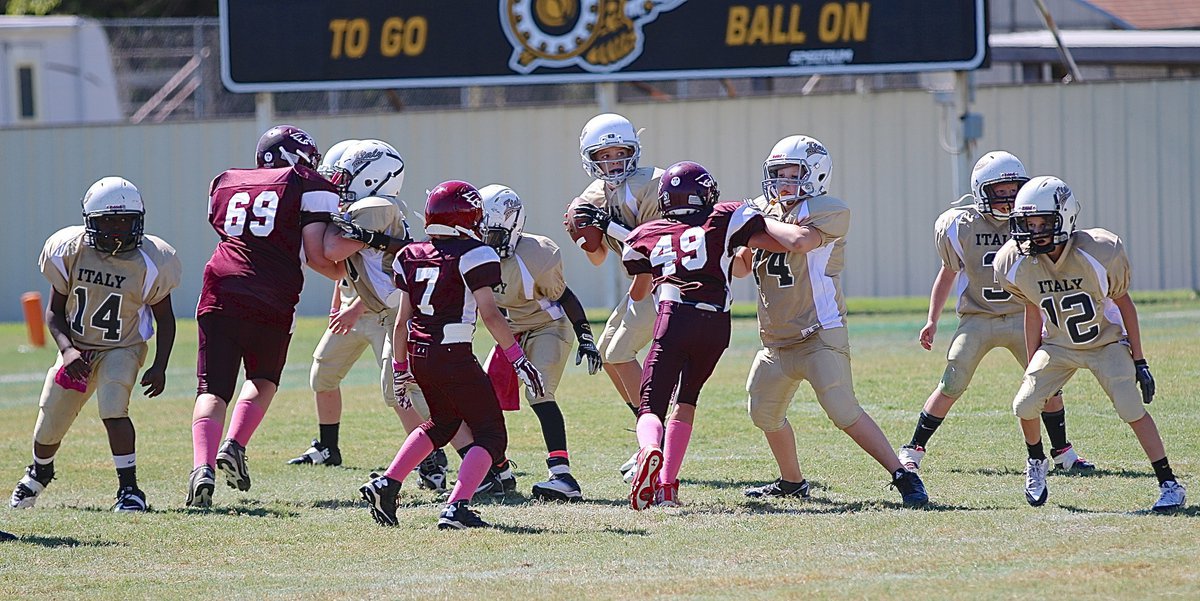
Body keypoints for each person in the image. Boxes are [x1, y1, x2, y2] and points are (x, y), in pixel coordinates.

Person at [738, 135, 928, 507]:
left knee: (843, 410)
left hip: (819, 333)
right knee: (763, 412)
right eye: (778, 174)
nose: (782, 183)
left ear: (816, 174)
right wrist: (730, 236)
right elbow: (742, 267)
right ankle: (792, 482)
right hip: (776, 340)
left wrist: (754, 224)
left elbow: (799, 241)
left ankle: (903, 474)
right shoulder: (763, 210)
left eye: (792, 174)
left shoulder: (827, 208)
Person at [622, 161, 819, 510]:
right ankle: (666, 487)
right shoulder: (725, 216)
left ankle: (649, 450)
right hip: (716, 326)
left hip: (674, 317)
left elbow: (638, 293)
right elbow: (767, 249)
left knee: (651, 405)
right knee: (687, 399)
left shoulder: (647, 233)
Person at [359, 180, 546, 529]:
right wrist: (518, 359)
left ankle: (387, 484)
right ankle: (456, 507)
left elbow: (401, 322)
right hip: (454, 354)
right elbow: (491, 315)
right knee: (491, 436)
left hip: (420, 354)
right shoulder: (475, 254)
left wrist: (400, 367)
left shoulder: (409, 255)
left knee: (442, 422)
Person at [994, 176, 1185, 512]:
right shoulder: (1016, 260)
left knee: (1130, 408)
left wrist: (1140, 360)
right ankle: (1036, 461)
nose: (1035, 231)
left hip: (1104, 343)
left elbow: (1125, 304)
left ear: (1064, 217)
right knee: (1024, 404)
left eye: (1043, 223)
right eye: (1029, 224)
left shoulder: (1098, 251)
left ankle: (1169, 483)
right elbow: (1032, 311)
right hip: (1058, 346)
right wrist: (1031, 362)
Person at [898, 151, 1095, 474]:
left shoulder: (1031, 220)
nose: (1007, 198)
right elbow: (948, 273)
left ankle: (1063, 453)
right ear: (981, 191)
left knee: (1047, 382)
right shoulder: (961, 226)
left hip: (1022, 316)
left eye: (1012, 190)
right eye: (999, 191)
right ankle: (913, 449)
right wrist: (932, 319)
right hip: (978, 318)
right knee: (953, 379)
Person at [186, 125, 349, 508]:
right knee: (262, 379)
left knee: (212, 389)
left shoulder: (226, 181)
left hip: (218, 289)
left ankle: (201, 468)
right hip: (271, 294)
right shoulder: (306, 182)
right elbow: (317, 256)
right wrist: (353, 273)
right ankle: (234, 444)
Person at [287, 139, 458, 492]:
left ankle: (440, 456)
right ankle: (328, 446)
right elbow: (347, 269)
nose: (336, 183)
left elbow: (371, 268)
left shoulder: (377, 206)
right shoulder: (360, 206)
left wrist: (354, 306)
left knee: (399, 390)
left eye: (342, 176)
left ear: (371, 177)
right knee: (323, 374)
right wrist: (339, 303)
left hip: (387, 310)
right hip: (362, 304)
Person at [10, 176, 180, 512]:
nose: (117, 229)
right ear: (90, 221)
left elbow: (167, 319)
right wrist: (67, 350)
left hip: (122, 347)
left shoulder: (151, 260)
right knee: (50, 420)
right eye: (108, 221)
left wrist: (160, 365)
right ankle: (40, 471)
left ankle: (129, 490)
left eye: (125, 220)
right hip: (78, 347)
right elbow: (54, 312)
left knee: (114, 409)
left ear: (138, 220)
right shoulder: (70, 250)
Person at [479, 184, 603, 502]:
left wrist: (585, 336)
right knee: (481, 400)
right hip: (509, 332)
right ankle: (498, 470)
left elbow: (565, 296)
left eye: (491, 234)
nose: (484, 242)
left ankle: (562, 476)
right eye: (480, 233)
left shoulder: (536, 254)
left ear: (512, 227)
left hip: (547, 326)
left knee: (539, 391)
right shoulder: (473, 255)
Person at [567, 113, 663, 479]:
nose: (614, 162)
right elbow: (597, 258)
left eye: (620, 153)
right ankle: (647, 434)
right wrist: (583, 234)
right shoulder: (592, 196)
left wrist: (608, 224)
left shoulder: (652, 184)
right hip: (642, 281)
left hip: (668, 280)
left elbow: (653, 249)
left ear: (634, 151)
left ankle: (655, 439)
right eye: (604, 155)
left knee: (619, 353)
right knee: (608, 354)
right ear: (589, 158)